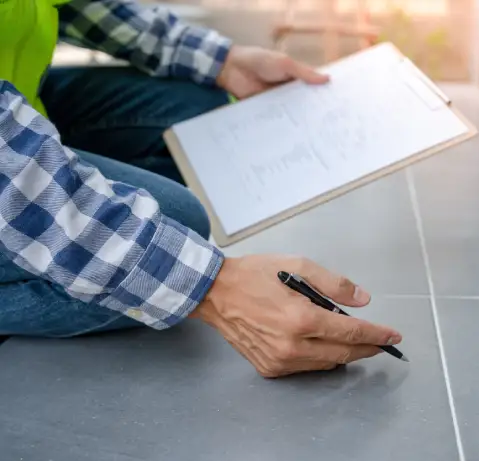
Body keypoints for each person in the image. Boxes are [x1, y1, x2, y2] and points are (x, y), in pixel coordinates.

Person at [0, 0, 402, 378]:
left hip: (22, 106)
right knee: (177, 219)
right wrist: (208, 285)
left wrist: (223, 62)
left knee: (204, 110)